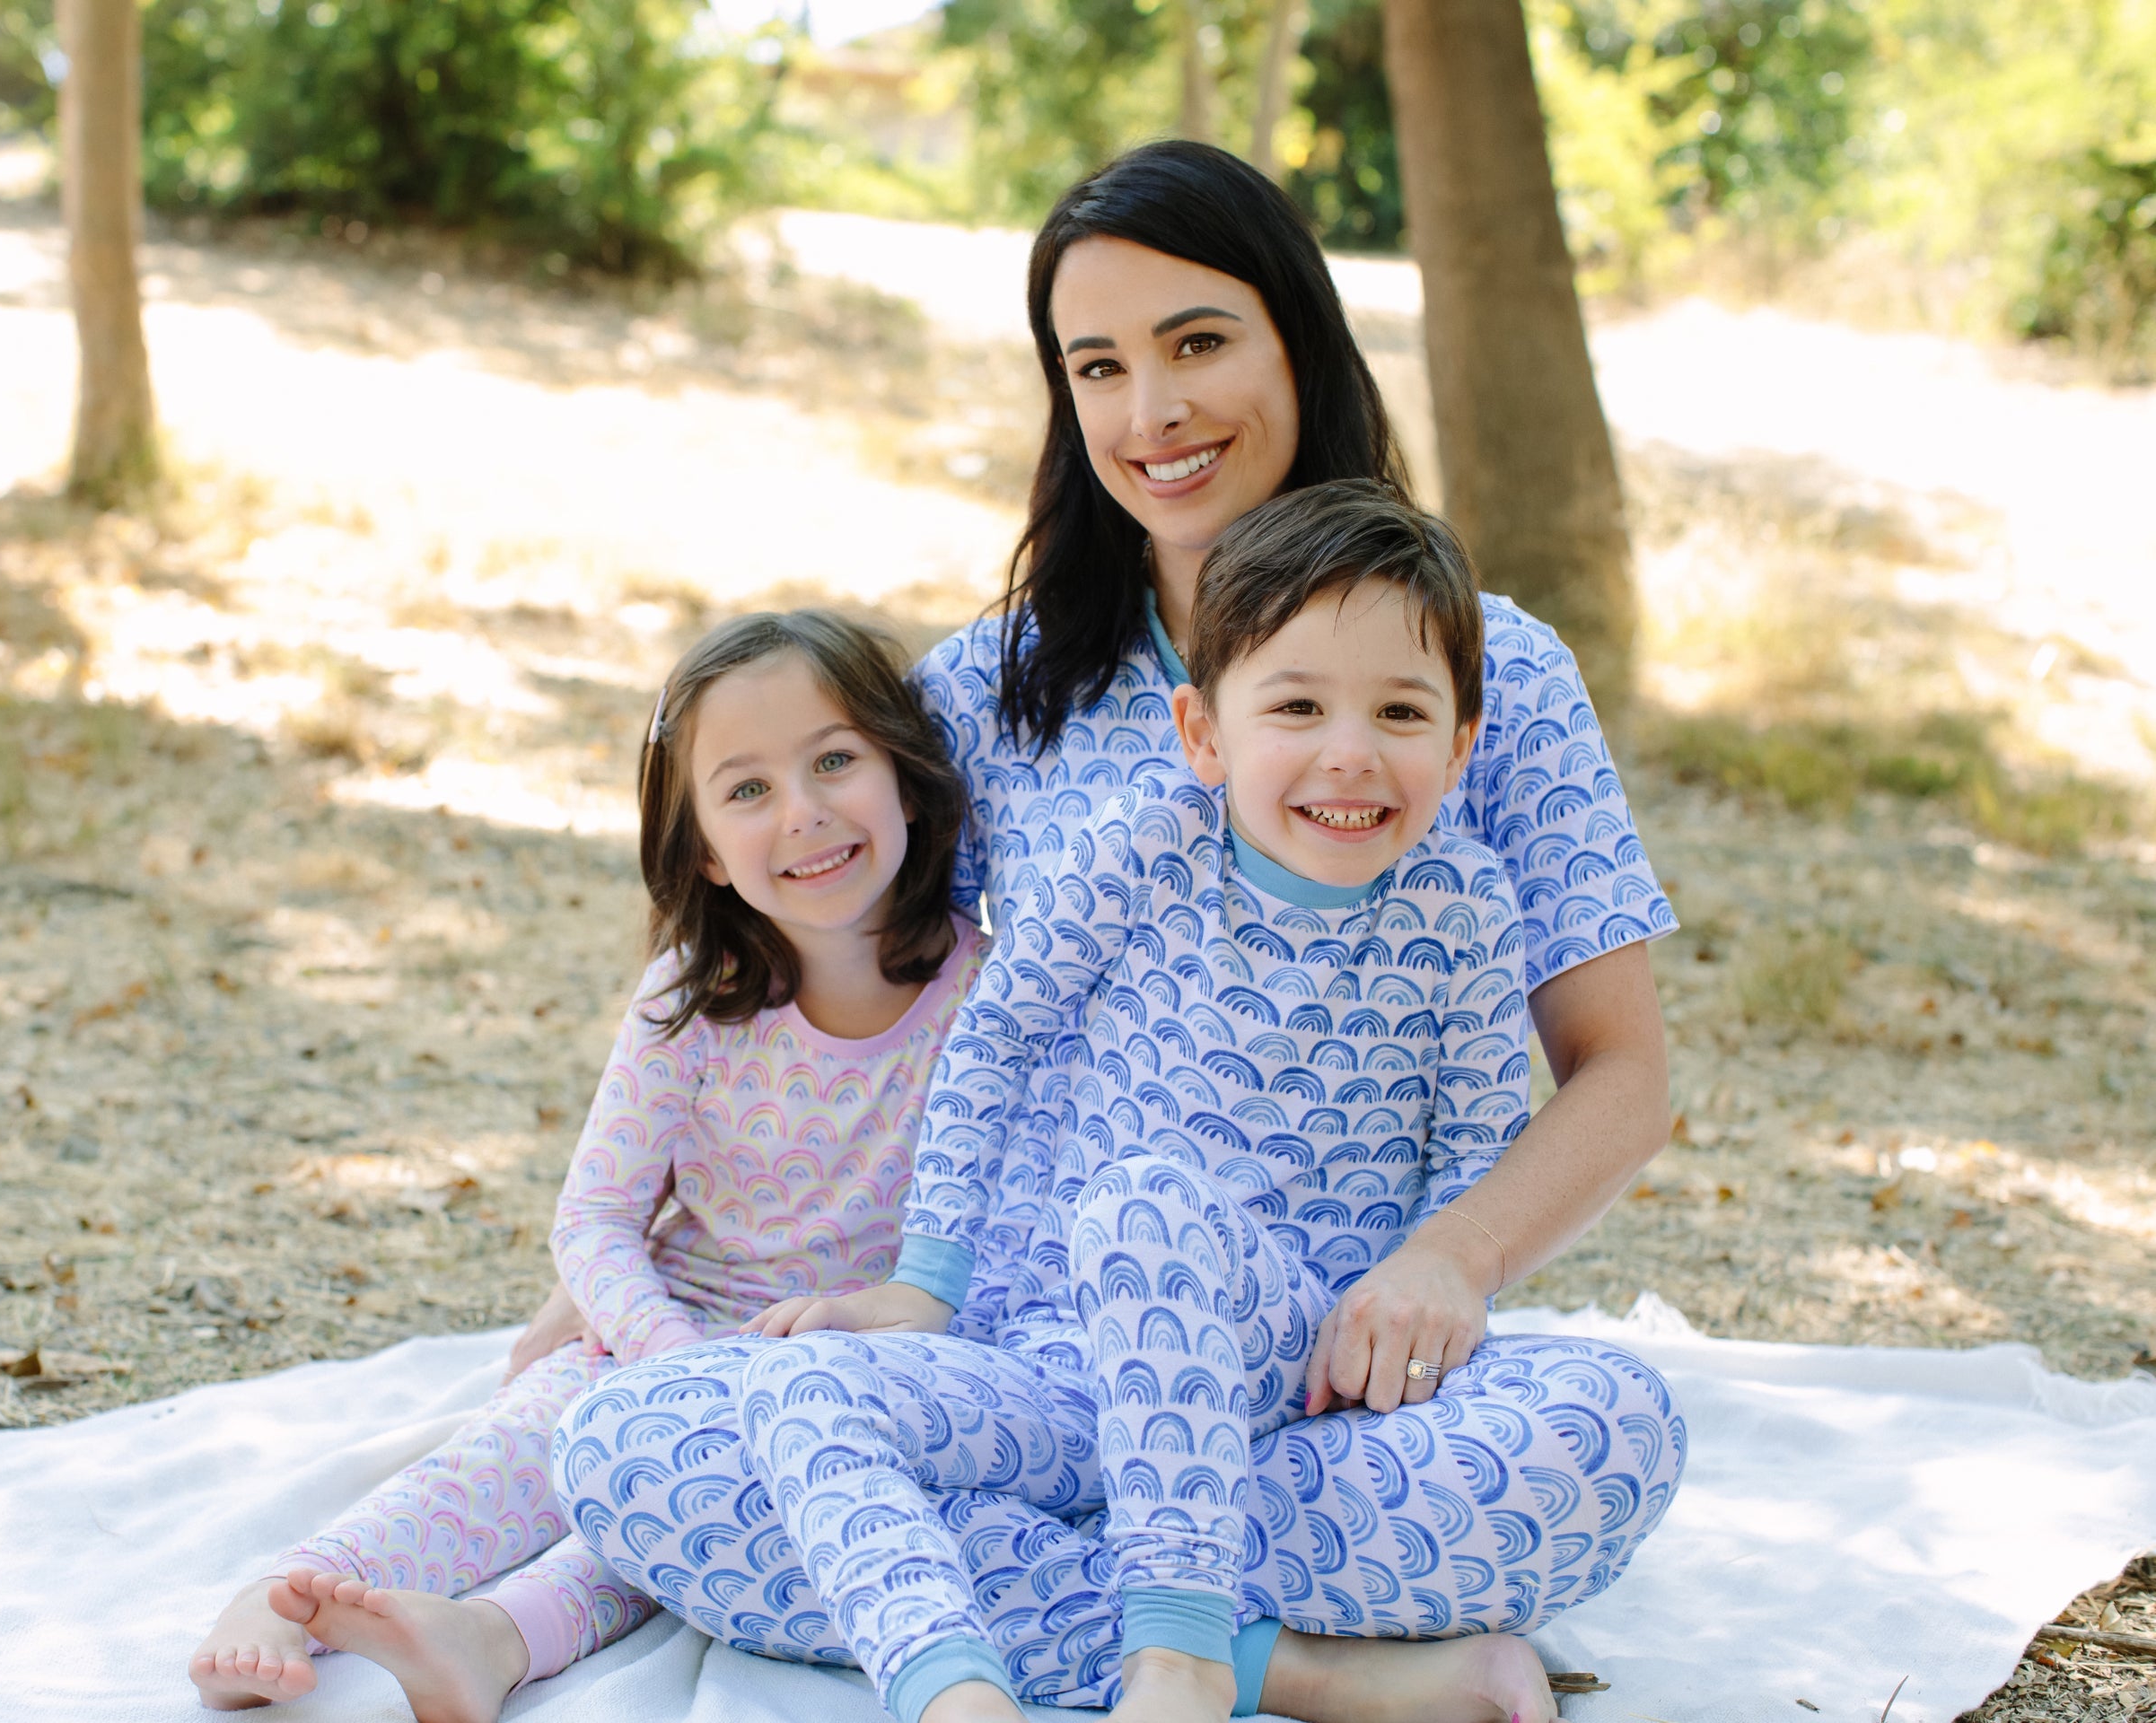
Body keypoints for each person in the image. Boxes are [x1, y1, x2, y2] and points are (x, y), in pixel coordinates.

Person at [544, 139, 1684, 1723]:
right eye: (1100, 365)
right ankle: (1284, 1662)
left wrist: (1451, 1260)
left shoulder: (1498, 672)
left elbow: (1621, 1073)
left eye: (1199, 342)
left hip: (1330, 1400)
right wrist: (619, 1264)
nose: (1154, 412)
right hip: (1036, 1367)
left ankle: (1022, 1580)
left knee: (1605, 1437)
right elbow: (820, 980)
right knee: (627, 1447)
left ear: (1300, 337)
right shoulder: (994, 691)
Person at [187, 609, 986, 1719]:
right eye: (747, 789)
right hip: (666, 1332)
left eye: (835, 761)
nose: (803, 814)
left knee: (707, 1509)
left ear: (905, 775)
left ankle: (494, 1643)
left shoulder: (987, 998)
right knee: (520, 1452)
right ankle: (291, 1595)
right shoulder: (692, 998)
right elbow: (597, 1221)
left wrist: (822, 1355)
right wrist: (666, 1355)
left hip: (851, 1364)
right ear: (704, 845)